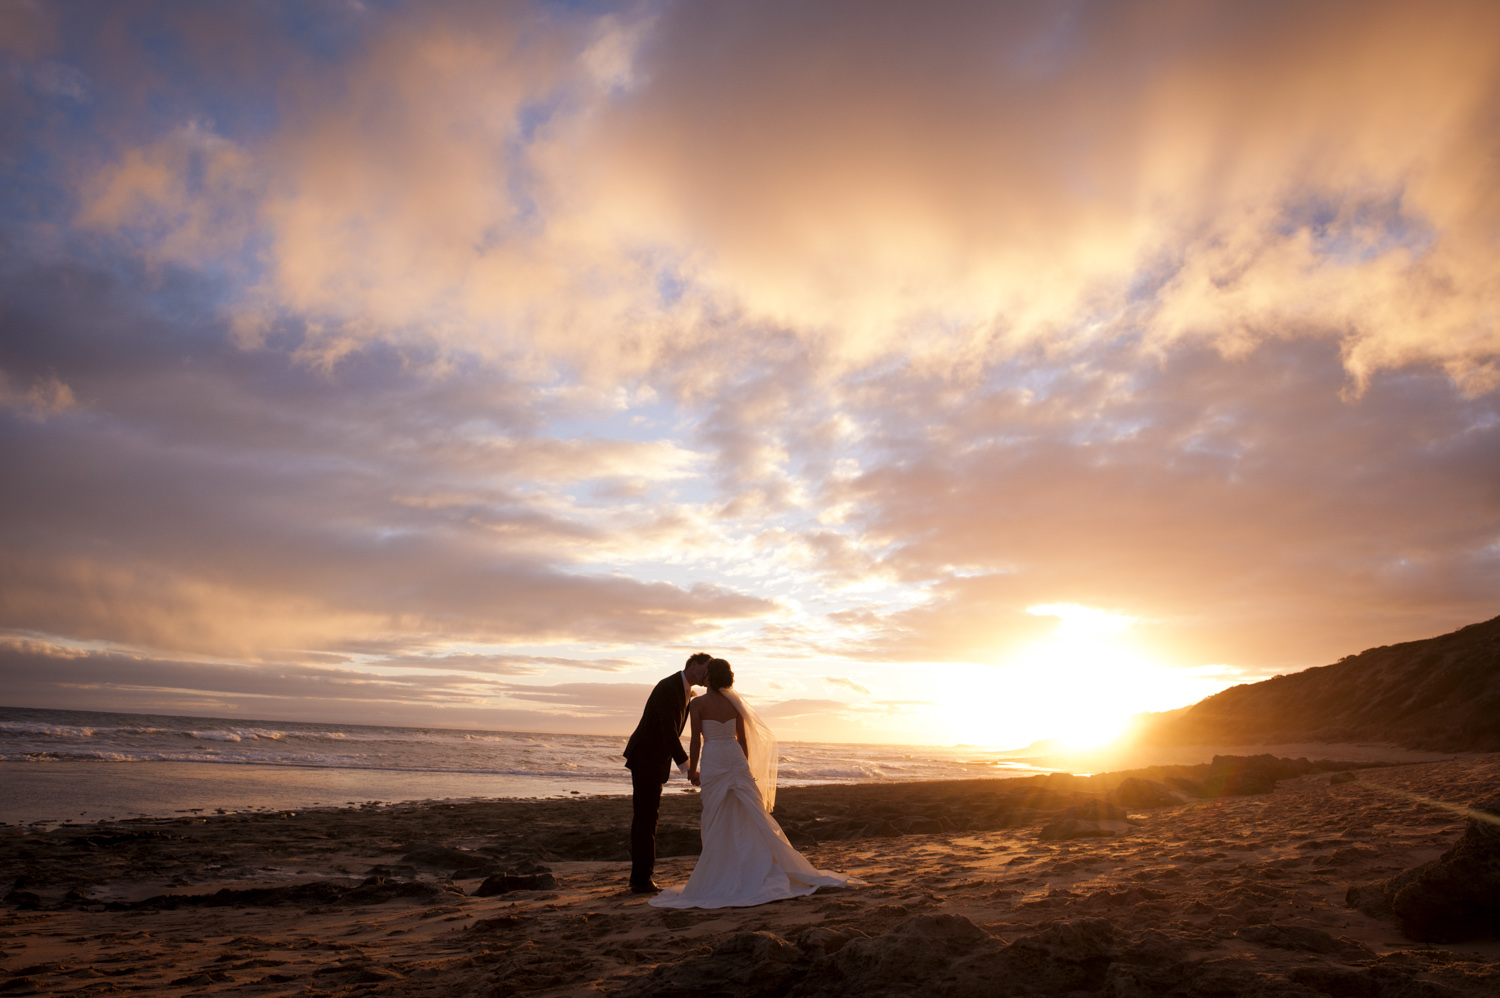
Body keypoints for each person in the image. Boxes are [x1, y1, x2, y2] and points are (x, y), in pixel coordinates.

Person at [649, 657, 864, 908]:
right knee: (749, 813)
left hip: (715, 758)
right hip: (734, 758)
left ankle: (724, 871)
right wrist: (744, 767)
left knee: (717, 815)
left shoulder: (698, 704)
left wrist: (692, 770)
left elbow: (696, 740)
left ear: (709, 678)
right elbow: (742, 741)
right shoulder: (734, 703)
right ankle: (757, 865)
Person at [623, 652, 712, 893]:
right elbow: (668, 731)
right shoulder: (668, 687)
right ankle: (641, 880)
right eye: (706, 669)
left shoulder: (685, 691)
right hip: (645, 759)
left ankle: (640, 877)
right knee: (646, 819)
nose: (708, 675)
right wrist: (688, 768)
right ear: (694, 665)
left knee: (647, 818)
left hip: (653, 761)